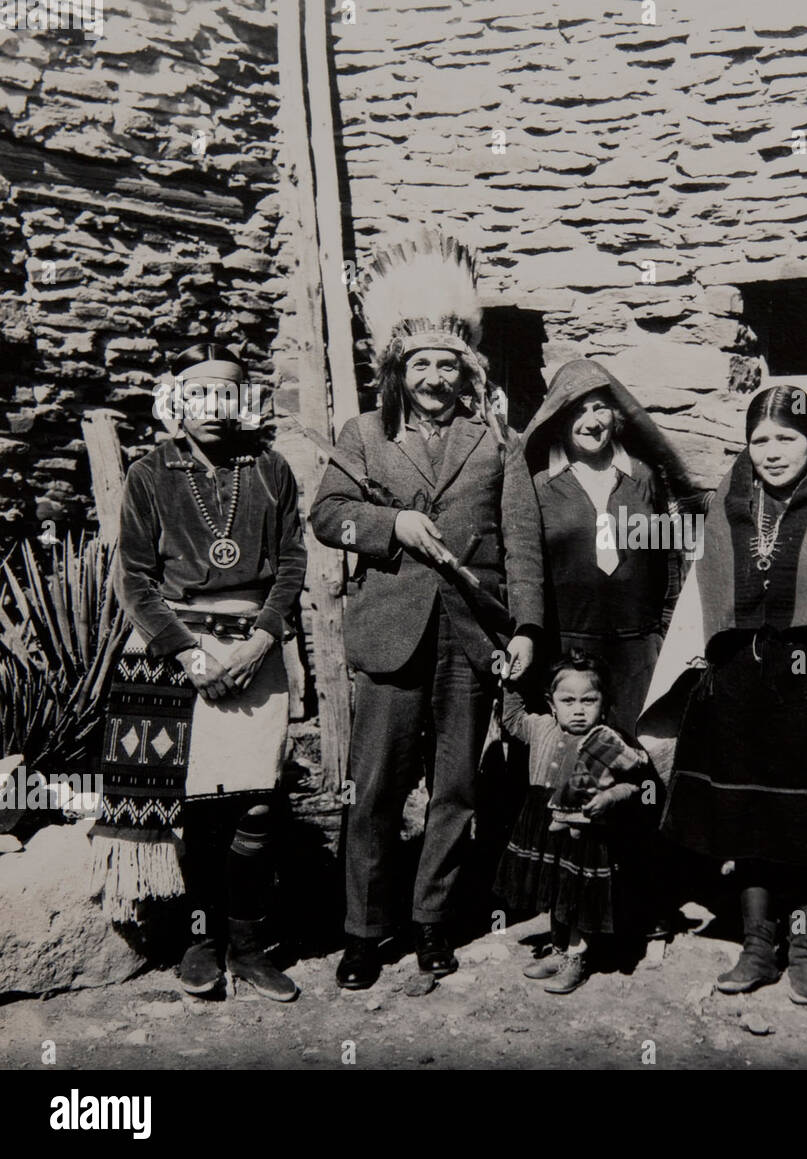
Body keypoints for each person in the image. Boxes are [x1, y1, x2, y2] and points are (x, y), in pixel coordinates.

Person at [309, 228, 545, 994]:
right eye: (421, 364)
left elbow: (523, 545)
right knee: (374, 789)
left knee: (456, 788)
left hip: (469, 642)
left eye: (448, 363)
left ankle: (434, 923)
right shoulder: (366, 438)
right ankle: (363, 932)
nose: (435, 377)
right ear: (398, 371)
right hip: (391, 636)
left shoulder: (495, 444)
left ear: (467, 370)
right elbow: (325, 515)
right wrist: (388, 526)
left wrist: (529, 631)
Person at [640, 386, 807, 1004]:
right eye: (760, 440)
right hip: (740, 681)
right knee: (747, 819)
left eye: (787, 439)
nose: (772, 452)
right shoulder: (729, 501)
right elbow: (705, 590)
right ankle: (756, 947)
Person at [91, 341, 306, 1002]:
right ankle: (201, 941)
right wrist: (189, 653)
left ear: (245, 401)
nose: (215, 406)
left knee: (258, 802)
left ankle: (248, 945)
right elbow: (134, 577)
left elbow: (292, 562)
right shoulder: (151, 473)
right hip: (172, 653)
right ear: (178, 399)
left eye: (228, 392)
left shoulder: (271, 468)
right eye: (200, 391)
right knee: (193, 810)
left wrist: (262, 639)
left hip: (255, 654)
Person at [521, 359, 696, 735]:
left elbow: (667, 558)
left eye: (599, 408)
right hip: (568, 651)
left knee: (639, 750)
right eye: (577, 411)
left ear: (615, 415)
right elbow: (524, 567)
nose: (591, 421)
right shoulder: (539, 486)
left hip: (638, 649)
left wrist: (662, 633)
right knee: (574, 764)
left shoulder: (642, 476)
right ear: (558, 419)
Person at [494, 652, 653, 994]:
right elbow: (510, 717)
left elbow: (634, 782)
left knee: (576, 892)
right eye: (567, 700)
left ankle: (577, 956)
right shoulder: (539, 727)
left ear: (604, 704)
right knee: (553, 888)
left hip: (586, 831)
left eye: (588, 700)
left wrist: (609, 799)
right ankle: (558, 947)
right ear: (552, 704)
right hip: (542, 819)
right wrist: (510, 679)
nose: (578, 709)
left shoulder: (607, 740)